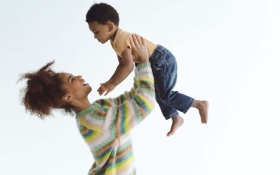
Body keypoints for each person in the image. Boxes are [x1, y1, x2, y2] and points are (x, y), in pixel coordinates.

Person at [19, 35, 155, 175]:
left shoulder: (98, 108)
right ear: (67, 97)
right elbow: (144, 104)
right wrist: (144, 62)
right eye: (72, 80)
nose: (79, 77)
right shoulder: (93, 120)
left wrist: (139, 64)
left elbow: (132, 98)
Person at [85, 3, 209, 137]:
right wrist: (110, 81)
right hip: (155, 62)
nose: (95, 36)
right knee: (159, 94)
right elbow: (121, 65)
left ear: (110, 26)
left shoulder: (121, 39)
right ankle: (175, 117)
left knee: (165, 95)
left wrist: (113, 84)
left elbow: (129, 66)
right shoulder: (114, 41)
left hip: (161, 60)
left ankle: (199, 104)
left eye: (96, 32)